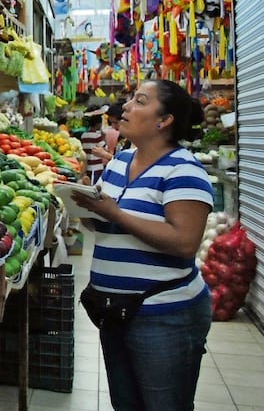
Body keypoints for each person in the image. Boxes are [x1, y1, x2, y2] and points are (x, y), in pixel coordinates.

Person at [73, 79, 212, 411]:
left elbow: (184, 242)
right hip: (113, 311)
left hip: (164, 316)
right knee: (127, 404)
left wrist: (115, 213)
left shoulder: (184, 170)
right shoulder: (120, 161)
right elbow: (105, 223)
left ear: (164, 121)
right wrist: (81, 207)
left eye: (139, 101)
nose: (126, 107)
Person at [80, 105, 108, 182]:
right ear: (98, 124)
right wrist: (104, 137)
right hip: (96, 168)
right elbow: (104, 149)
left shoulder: (83, 135)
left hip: (87, 167)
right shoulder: (97, 136)